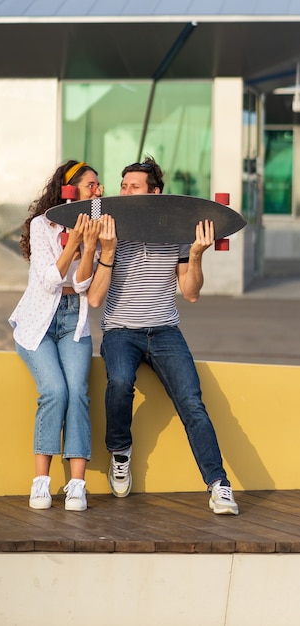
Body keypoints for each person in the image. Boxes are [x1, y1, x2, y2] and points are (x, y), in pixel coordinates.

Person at [87, 156, 239, 515]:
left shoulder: (177, 231)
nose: (125, 192)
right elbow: (95, 297)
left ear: (154, 193)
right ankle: (120, 451)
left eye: (133, 187)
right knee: (120, 382)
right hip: (121, 331)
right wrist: (107, 250)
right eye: (123, 186)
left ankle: (219, 486)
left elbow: (190, 292)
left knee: (192, 404)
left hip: (165, 330)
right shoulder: (110, 229)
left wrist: (197, 254)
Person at [9, 160, 115, 512]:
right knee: (54, 391)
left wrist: (89, 247)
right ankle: (41, 481)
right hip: (39, 320)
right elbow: (51, 279)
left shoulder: (99, 230)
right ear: (69, 190)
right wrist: (73, 242)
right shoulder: (43, 225)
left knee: (77, 393)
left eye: (99, 186)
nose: (97, 191)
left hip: (75, 319)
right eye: (90, 185)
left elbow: (82, 284)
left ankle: (77, 485)